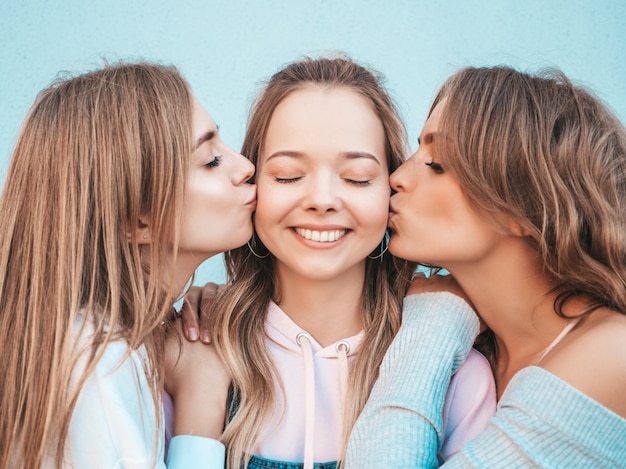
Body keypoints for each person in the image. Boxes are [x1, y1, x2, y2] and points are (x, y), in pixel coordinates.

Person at [167, 55, 495, 469]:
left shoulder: (457, 375)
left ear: (391, 191)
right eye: (287, 175)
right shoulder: (192, 349)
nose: (322, 200)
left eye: (357, 177)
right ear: (252, 187)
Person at [345, 66, 626, 467]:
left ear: (526, 208)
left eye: (437, 163)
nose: (396, 177)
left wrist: (434, 325)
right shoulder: (487, 351)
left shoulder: (612, 355)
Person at [0, 62, 256, 468]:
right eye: (210, 160)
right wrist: (201, 400)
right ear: (137, 222)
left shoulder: (138, 340)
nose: (245, 168)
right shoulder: (96, 366)